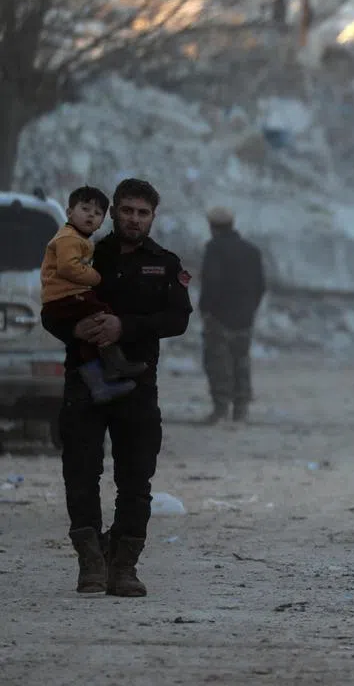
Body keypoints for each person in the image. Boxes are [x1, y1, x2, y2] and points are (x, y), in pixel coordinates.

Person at [40, 178, 192, 597]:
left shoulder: (164, 262)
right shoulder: (85, 252)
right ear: (114, 212)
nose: (134, 219)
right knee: (80, 474)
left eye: (142, 213)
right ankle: (90, 562)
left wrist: (126, 326)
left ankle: (123, 567)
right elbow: (51, 309)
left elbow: (178, 319)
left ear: (152, 217)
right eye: (126, 211)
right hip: (85, 383)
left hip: (136, 385)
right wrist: (75, 327)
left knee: (136, 479)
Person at [39, 186, 148, 403]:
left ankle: (99, 384)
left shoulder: (80, 239)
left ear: (102, 221)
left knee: (88, 338)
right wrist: (95, 278)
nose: (91, 215)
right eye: (85, 208)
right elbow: (68, 268)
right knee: (102, 314)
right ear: (70, 213)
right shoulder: (69, 238)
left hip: (63, 297)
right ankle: (114, 362)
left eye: (97, 213)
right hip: (65, 297)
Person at [199, 207, 266, 425]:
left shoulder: (214, 248)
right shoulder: (251, 250)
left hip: (219, 318)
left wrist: (206, 310)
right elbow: (261, 286)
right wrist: (250, 310)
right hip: (245, 318)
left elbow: (211, 283)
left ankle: (220, 411)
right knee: (241, 363)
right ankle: (241, 411)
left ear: (212, 227)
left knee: (218, 364)